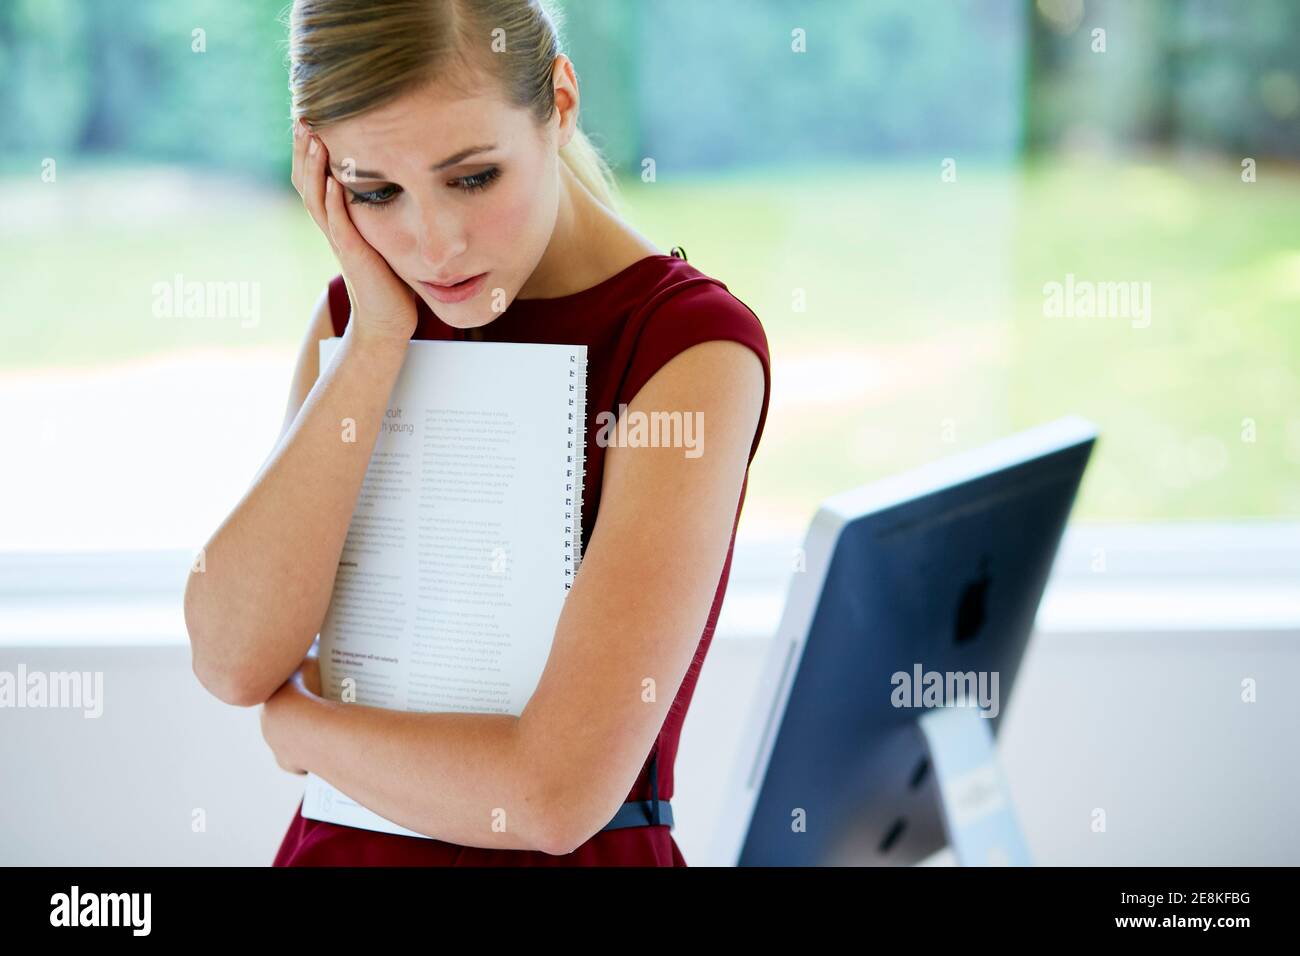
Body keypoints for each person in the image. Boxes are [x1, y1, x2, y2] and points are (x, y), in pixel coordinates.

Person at [183, 0, 771, 866]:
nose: (435, 246)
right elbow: (233, 656)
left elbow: (550, 798)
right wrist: (378, 338)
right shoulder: (362, 314)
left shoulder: (689, 347)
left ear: (560, 102)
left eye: (472, 178)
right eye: (375, 192)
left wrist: (304, 726)